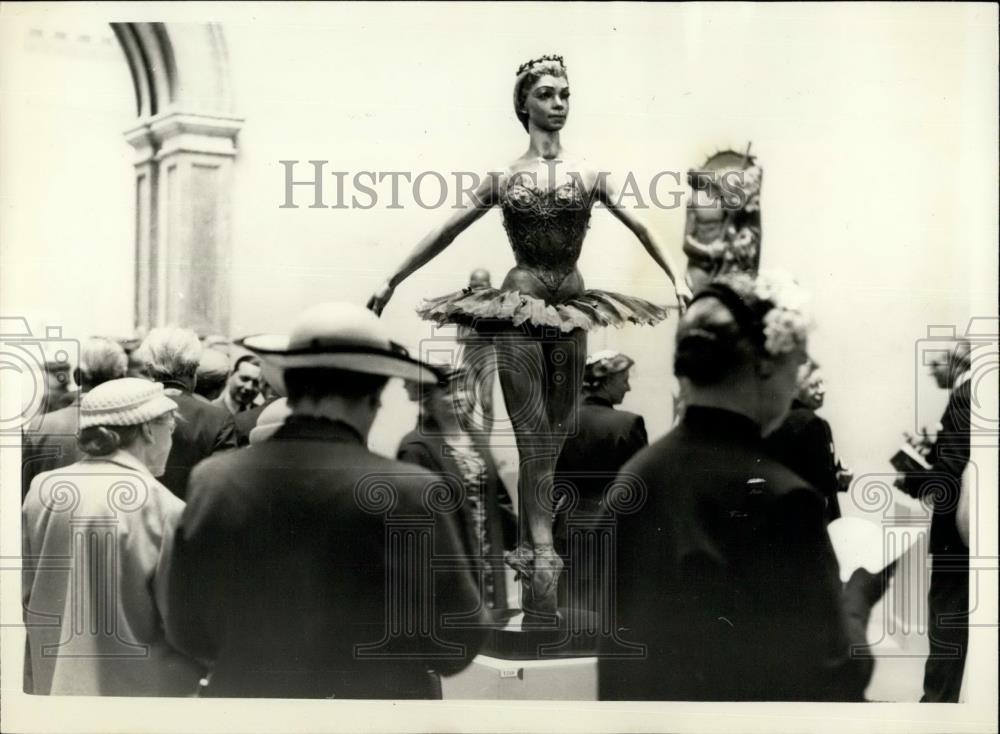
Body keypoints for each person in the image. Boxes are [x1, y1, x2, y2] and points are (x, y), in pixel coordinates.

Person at [367, 55, 691, 623]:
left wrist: (677, 277)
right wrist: (391, 277)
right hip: (518, 305)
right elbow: (446, 228)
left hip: (572, 303)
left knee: (557, 436)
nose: (560, 102)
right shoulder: (504, 176)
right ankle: (541, 558)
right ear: (525, 104)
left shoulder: (589, 173)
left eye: (565, 92)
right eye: (547, 93)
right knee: (531, 435)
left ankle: (541, 564)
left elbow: (643, 225)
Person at [163, 303, 486, 698]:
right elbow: (457, 643)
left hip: (255, 713)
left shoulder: (214, 481)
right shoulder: (413, 492)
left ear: (292, 385)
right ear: (375, 395)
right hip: (379, 716)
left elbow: (186, 629)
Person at [600, 272, 887, 701]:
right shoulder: (782, 498)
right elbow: (834, 671)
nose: (797, 382)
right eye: (798, 363)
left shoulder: (635, 477)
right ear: (765, 366)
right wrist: (860, 595)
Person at [22, 378, 202, 696]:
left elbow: (27, 596)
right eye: (170, 430)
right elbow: (181, 626)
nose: (171, 443)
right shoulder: (163, 506)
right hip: (129, 701)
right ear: (148, 430)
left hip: (51, 690)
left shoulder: (43, 489)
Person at [397, 365, 516, 615]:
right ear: (426, 399)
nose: (458, 397)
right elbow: (413, 519)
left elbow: (497, 500)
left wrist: (524, 540)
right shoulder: (416, 447)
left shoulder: (477, 439)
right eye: (447, 392)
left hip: (487, 556)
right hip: (448, 561)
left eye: (462, 388)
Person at [896, 339, 972, 703]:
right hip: (972, 528)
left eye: (937, 361)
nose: (931, 369)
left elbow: (947, 478)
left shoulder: (961, 397)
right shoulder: (979, 393)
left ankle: (937, 703)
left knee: (946, 613)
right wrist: (933, 449)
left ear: (958, 362)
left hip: (955, 534)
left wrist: (909, 476)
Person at [553, 350, 647, 614]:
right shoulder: (627, 424)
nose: (628, 386)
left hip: (567, 527)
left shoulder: (562, 422)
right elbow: (638, 488)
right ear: (606, 381)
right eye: (624, 379)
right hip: (610, 527)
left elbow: (552, 483)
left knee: (570, 607)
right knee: (607, 610)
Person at [136, 327, 236, 499]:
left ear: (150, 369)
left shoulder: (132, 409)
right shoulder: (218, 419)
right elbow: (223, 487)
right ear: (194, 369)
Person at [22, 337, 128, 498]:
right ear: (122, 378)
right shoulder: (134, 427)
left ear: (77, 376)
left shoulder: (41, 426)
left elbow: (24, 497)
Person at [765, 359, 848, 522]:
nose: (823, 390)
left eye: (823, 383)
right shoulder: (814, 423)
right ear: (797, 387)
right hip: (812, 522)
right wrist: (841, 479)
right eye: (815, 385)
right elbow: (823, 484)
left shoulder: (771, 421)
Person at [683, 145, 762, 291]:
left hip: (725, 266)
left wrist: (735, 244)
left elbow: (733, 227)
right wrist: (709, 251)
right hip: (700, 267)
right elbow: (687, 243)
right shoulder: (693, 201)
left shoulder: (724, 199)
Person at [456, 268, 497, 435]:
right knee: (469, 401)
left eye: (482, 285)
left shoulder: (496, 305)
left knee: (486, 401)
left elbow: (499, 335)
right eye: (474, 285)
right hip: (470, 354)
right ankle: (470, 441)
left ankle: (485, 444)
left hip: (487, 353)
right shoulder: (464, 305)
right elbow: (460, 337)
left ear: (489, 286)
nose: (478, 289)